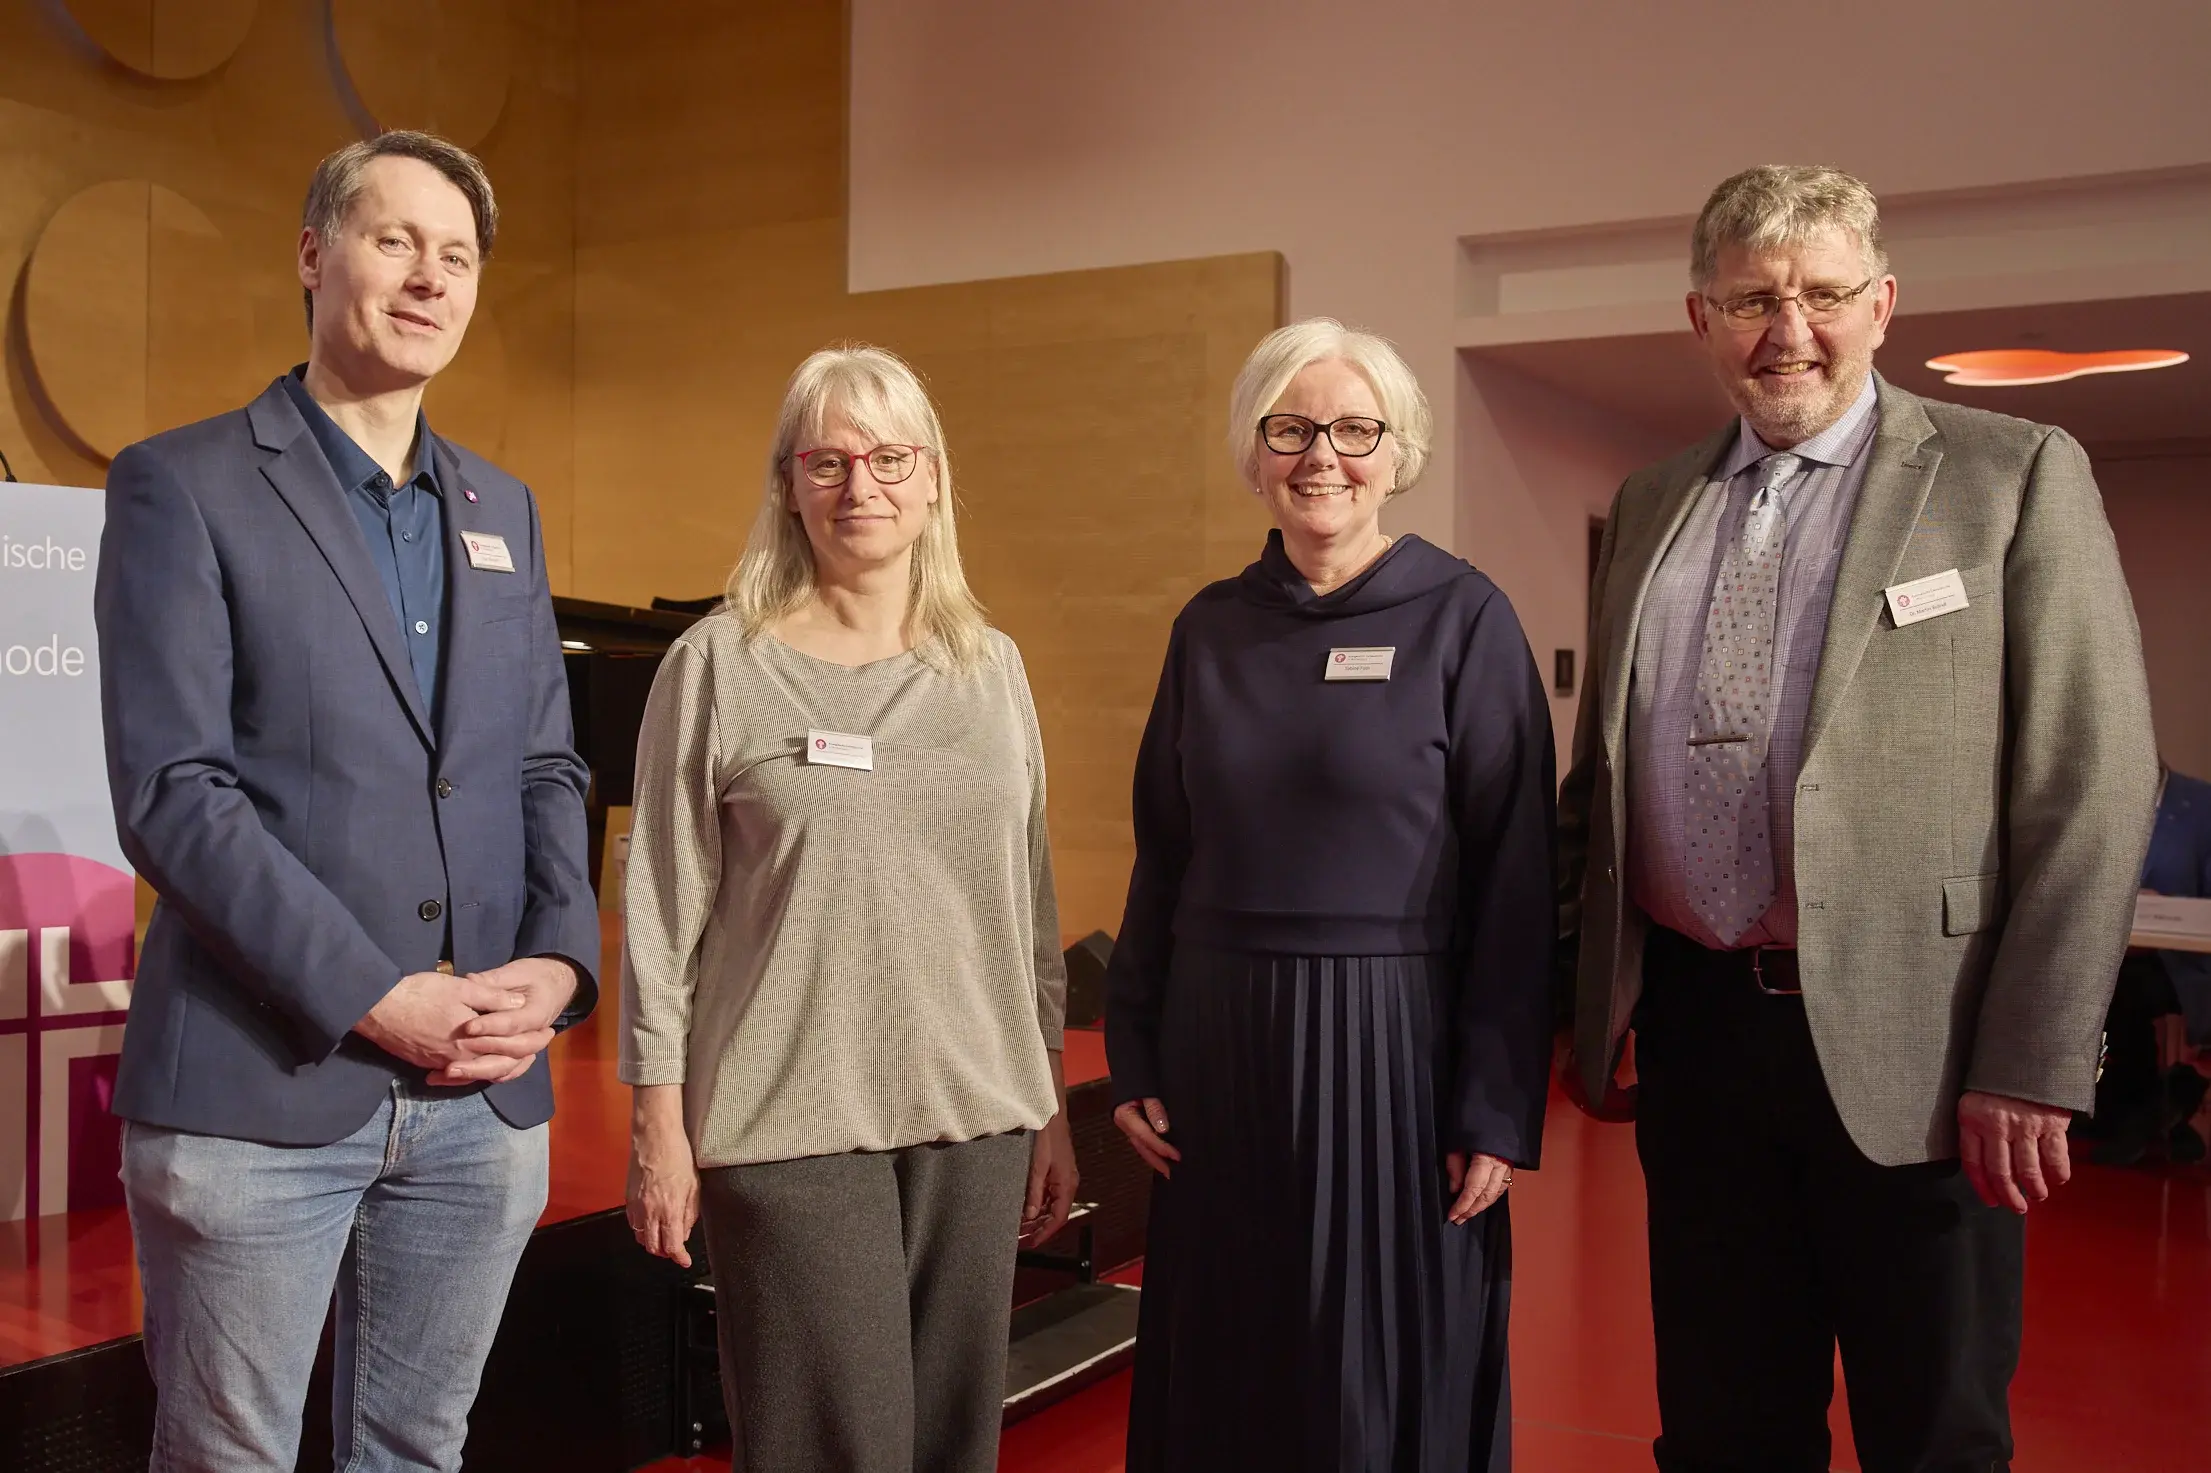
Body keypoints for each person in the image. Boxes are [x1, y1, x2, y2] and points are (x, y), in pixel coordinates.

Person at [1558, 164, 2158, 1473]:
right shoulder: (1654, 504)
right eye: (1751, 300)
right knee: (1720, 1425)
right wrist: (1570, 1003)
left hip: (1922, 1048)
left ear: (1880, 305)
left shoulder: (2005, 473)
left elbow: (2089, 779)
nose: (1789, 331)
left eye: (1822, 295)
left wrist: (2030, 1056)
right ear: (1697, 319)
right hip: (1695, 1036)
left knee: (1931, 1432)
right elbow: (1594, 784)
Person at [95, 131, 598, 1472]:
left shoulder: (505, 508)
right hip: (260, 1091)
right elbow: (173, 793)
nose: (428, 278)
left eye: (457, 254)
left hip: (479, 1100)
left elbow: (545, 766)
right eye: (395, 241)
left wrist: (557, 963)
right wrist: (376, 992)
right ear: (315, 256)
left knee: (416, 1452)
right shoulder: (182, 484)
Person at [1105, 319, 1555, 1472]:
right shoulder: (1208, 629)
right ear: (1255, 453)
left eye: (1355, 430)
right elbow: (1164, 856)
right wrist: (1137, 1056)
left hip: (1393, 1056)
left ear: (1397, 452)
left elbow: (1516, 880)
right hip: (1223, 1053)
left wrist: (1494, 1106)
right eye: (1292, 428)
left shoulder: (1465, 618)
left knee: (1376, 1369)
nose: (1322, 457)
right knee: (1233, 1364)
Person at [620, 345, 1079, 1472]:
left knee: (951, 1447)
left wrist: (1048, 1098)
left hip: (977, 1116)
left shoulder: (993, 669)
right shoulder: (717, 665)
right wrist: (656, 1121)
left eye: (887, 457)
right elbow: (663, 910)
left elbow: (1026, 903)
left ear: (933, 483)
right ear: (786, 485)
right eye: (826, 460)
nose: (858, 487)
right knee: (833, 1449)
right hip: (788, 1120)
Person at [2091, 760, 2211, 1164]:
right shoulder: (2097, 808)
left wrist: (2167, 912)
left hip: (2186, 961)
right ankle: (2156, 1115)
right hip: (2110, 956)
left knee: (2137, 993)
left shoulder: (2201, 805)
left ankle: (2154, 1115)